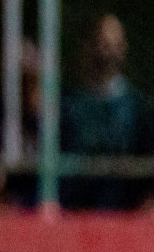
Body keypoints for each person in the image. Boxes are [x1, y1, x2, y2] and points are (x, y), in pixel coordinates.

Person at [62, 13, 154, 210]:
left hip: (126, 215)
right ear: (89, 46)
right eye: (103, 43)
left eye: (116, 44)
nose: (109, 52)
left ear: (124, 48)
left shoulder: (138, 108)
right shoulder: (70, 106)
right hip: (77, 215)